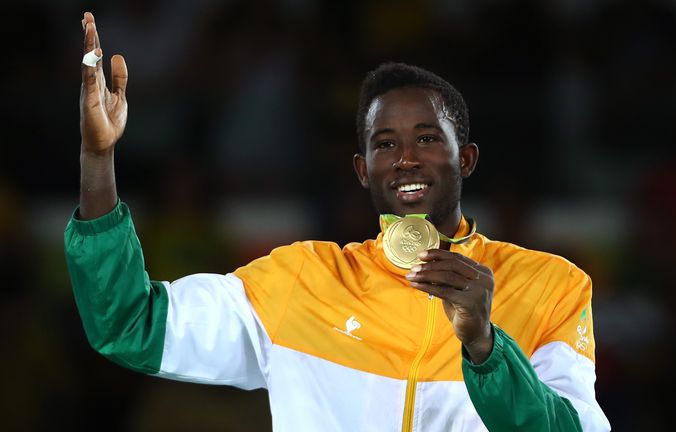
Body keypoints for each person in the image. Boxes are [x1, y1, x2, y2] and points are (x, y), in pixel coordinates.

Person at [66, 11, 610, 432]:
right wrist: (97, 160)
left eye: (427, 138)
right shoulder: (302, 282)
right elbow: (129, 324)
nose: (406, 158)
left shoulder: (550, 287)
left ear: (465, 158)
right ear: (362, 170)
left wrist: (486, 347)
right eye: (385, 144)